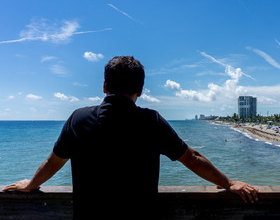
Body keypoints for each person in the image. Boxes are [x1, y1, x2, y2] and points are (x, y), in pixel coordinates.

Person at [2, 56, 259, 219]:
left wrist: (29, 185)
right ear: (140, 90)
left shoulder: (78, 119)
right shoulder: (150, 121)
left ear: (104, 87)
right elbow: (191, 158)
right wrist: (228, 183)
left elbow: (53, 162)